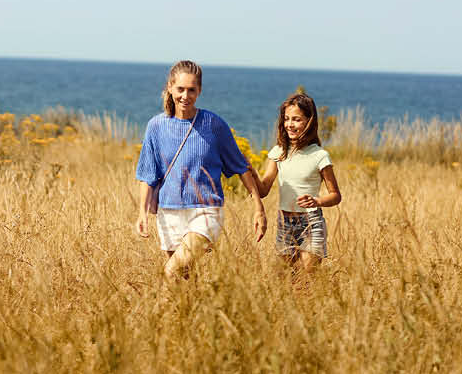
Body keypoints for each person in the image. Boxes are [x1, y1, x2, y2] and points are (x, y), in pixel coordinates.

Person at [135, 60, 266, 279]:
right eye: (180, 89)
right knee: (183, 279)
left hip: (205, 211)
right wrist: (142, 213)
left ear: (199, 91)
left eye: (191, 90)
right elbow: (148, 174)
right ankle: (193, 313)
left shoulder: (214, 124)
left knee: (171, 271)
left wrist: (258, 208)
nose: (185, 96)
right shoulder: (156, 126)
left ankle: (165, 313)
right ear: (170, 87)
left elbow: (241, 166)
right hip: (168, 213)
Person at [256, 92, 342, 271]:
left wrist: (317, 201)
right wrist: (247, 169)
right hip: (284, 223)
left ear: (309, 122)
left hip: (311, 222)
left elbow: (335, 196)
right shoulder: (278, 152)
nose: (289, 124)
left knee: (307, 280)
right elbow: (263, 189)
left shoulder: (319, 155)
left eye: (296, 119)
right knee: (284, 280)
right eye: (286, 119)